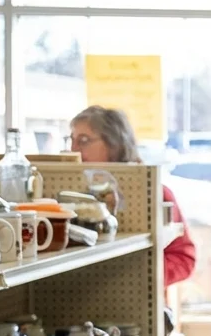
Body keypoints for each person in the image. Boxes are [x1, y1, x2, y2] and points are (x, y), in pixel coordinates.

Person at [70, 106, 195, 288]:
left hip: (142, 305)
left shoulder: (155, 193)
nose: (73, 149)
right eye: (71, 140)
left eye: (84, 140)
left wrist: (142, 278)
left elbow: (184, 257)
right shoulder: (67, 193)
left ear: (114, 144)